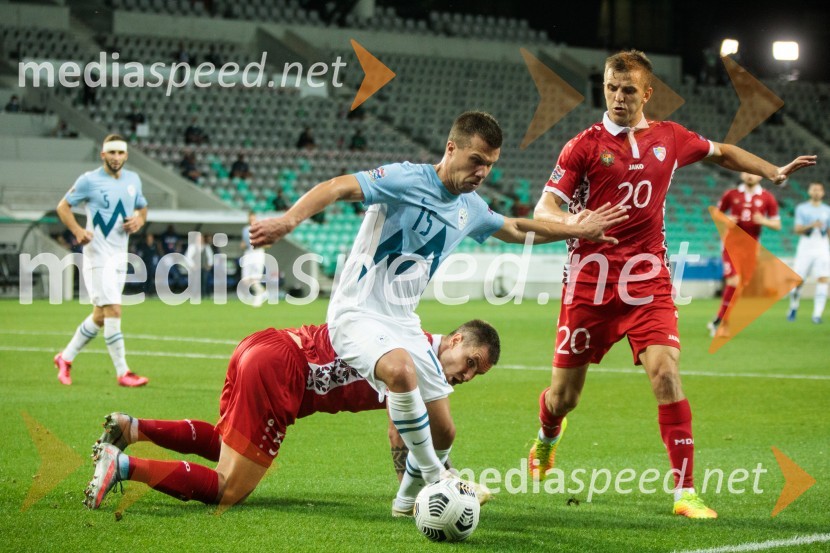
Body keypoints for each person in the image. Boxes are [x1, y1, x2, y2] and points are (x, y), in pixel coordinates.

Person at [249, 110, 628, 515]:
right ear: (452, 149)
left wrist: (576, 228)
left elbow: (517, 229)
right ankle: (437, 476)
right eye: (477, 160)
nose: (483, 171)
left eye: (491, 164)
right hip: (357, 312)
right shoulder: (406, 178)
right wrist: (287, 222)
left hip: (402, 321)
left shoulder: (472, 207)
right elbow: (337, 187)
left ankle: (406, 501)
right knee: (399, 371)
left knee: (444, 427)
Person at [527, 50, 816, 520]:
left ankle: (686, 492)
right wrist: (577, 224)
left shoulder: (670, 137)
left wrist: (771, 171)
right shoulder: (582, 146)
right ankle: (546, 435)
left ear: (647, 93)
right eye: (610, 88)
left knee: (666, 373)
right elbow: (544, 210)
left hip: (648, 282)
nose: (618, 98)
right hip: (590, 286)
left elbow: (722, 152)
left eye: (627, 90)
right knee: (564, 398)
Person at [83, 320, 499, 510]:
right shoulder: (422, 363)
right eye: (470, 361)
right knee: (229, 490)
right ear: (457, 339)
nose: (466, 375)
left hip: (265, 343)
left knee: (226, 444)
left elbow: (401, 431)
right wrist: (431, 491)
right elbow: (405, 436)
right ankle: (122, 466)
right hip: (283, 369)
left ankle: (130, 428)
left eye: (476, 373)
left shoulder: (409, 335)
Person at [53, 134, 152, 387]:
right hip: (97, 254)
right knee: (114, 310)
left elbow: (142, 207)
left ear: (126, 155)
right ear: (103, 155)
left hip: (120, 255)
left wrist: (139, 220)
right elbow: (63, 207)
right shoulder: (89, 180)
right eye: (112, 153)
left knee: (100, 315)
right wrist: (77, 231)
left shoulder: (133, 180)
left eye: (120, 153)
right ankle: (123, 372)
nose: (116, 157)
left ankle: (65, 358)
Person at [707, 173, 781, 337]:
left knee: (739, 287)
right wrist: (726, 219)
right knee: (733, 282)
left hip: (751, 248)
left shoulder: (767, 198)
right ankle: (723, 324)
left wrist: (764, 221)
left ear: (760, 177)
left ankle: (718, 320)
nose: (749, 176)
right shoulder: (731, 194)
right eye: (746, 172)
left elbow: (777, 224)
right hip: (731, 244)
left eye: (753, 173)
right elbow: (716, 214)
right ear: (741, 174)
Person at [788, 182, 830, 323]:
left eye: (819, 189)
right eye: (814, 189)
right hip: (806, 246)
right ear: (809, 191)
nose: (817, 192)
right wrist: (812, 225)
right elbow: (797, 229)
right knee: (798, 280)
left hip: (822, 246)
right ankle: (793, 307)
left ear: (823, 192)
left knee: (823, 278)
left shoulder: (827, 210)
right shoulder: (802, 208)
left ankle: (817, 314)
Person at [240, 212, 266, 306]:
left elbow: (268, 243)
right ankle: (261, 292)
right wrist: (243, 245)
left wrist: (259, 243)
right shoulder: (245, 230)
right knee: (246, 280)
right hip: (248, 254)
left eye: (253, 219)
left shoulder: (261, 229)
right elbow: (243, 243)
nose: (252, 221)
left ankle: (258, 298)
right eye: (250, 219)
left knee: (255, 279)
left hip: (257, 254)